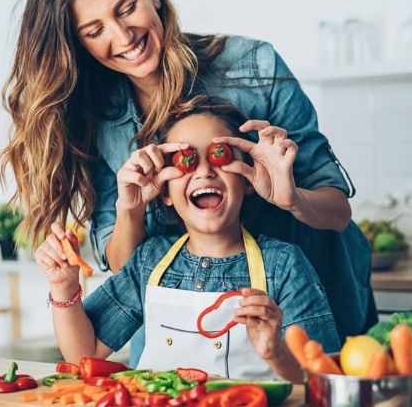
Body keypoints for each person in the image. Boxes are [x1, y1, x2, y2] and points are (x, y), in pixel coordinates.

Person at [0, 0, 376, 366]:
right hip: (175, 331)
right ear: (77, 41)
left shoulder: (254, 67)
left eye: (127, 8)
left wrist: (291, 198)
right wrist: (131, 209)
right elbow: (126, 267)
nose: (123, 36)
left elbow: (336, 210)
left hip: (295, 314)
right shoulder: (92, 115)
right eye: (94, 29)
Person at [35, 97, 340, 382]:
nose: (205, 172)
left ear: (247, 178)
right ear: (165, 191)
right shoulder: (149, 259)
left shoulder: (284, 264)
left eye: (220, 157)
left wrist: (277, 353)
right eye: (186, 160)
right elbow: (84, 354)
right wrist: (63, 287)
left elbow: (323, 381)